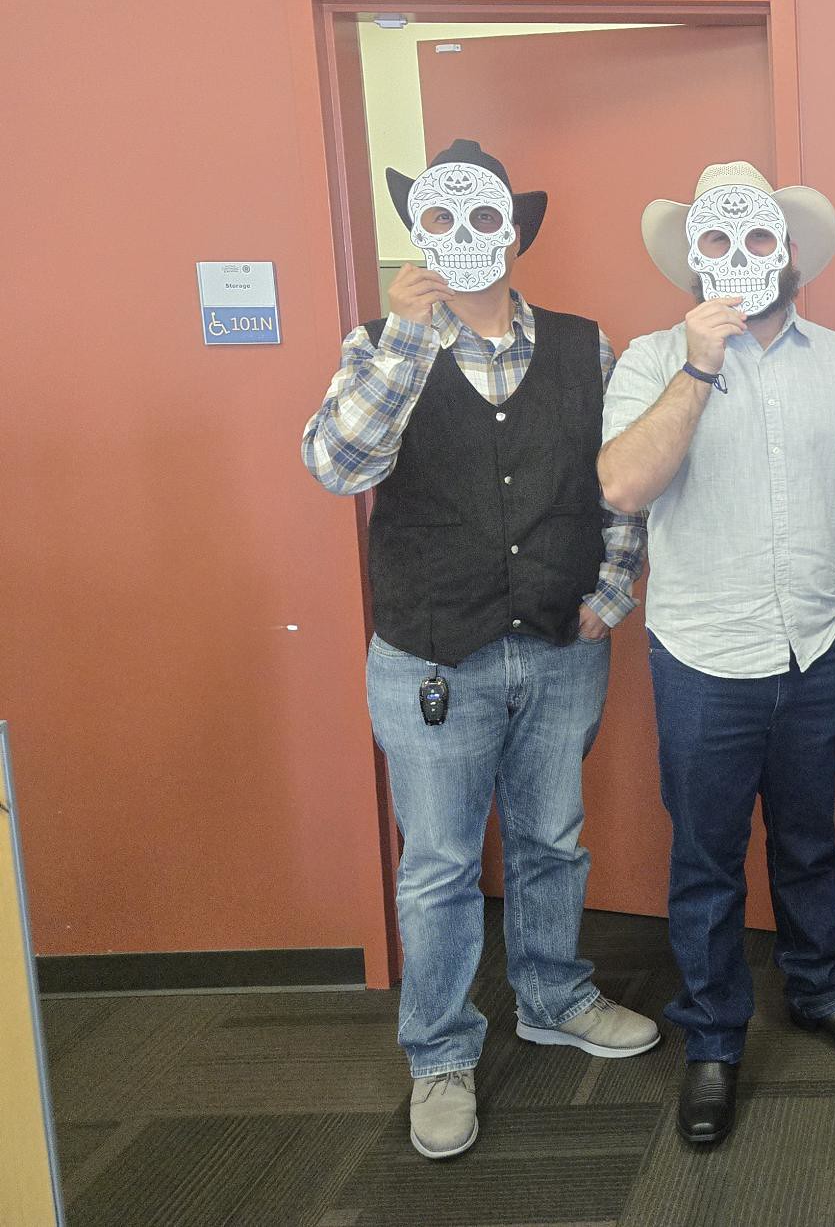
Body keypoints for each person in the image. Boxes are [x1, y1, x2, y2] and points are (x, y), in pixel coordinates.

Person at [303, 139, 659, 1162]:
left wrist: (611, 587)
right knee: (441, 866)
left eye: (481, 220)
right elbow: (336, 465)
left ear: (513, 230)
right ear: (422, 231)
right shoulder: (381, 340)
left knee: (553, 837)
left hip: (557, 644)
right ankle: (440, 1053)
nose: (463, 240)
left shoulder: (585, 345)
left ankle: (552, 995)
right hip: (431, 657)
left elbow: (614, 482)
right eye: (443, 221)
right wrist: (408, 341)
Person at [598, 161, 835, 1149]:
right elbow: (623, 488)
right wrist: (696, 368)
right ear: (691, 260)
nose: (739, 260)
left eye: (758, 240)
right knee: (706, 862)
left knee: (811, 840)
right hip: (702, 657)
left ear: (792, 253)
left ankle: (820, 993)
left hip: (819, 650)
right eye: (719, 244)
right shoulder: (650, 361)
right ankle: (715, 1040)